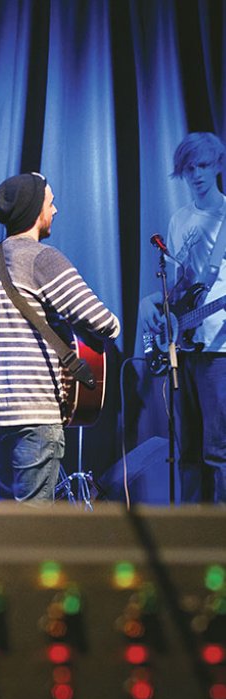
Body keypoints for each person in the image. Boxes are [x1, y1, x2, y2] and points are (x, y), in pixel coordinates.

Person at [0, 172, 120, 504]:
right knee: (33, 525)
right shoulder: (42, 258)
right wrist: (114, 325)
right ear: (36, 211)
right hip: (34, 411)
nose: (56, 210)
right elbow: (100, 320)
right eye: (50, 203)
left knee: (7, 517)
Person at [140, 132, 226, 503]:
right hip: (184, 345)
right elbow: (177, 287)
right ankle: (189, 533)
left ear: (218, 165)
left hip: (219, 351)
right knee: (187, 451)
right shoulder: (179, 220)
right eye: (190, 168)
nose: (197, 175)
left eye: (204, 165)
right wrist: (154, 304)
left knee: (219, 451)